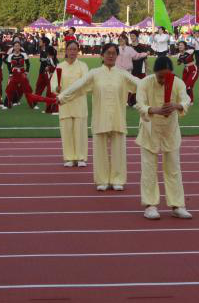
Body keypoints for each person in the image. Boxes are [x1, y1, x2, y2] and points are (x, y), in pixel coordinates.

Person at [58, 42, 139, 191]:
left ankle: (117, 179)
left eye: (113, 53)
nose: (110, 56)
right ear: (102, 55)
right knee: (100, 150)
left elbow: (141, 85)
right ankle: (102, 179)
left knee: (119, 151)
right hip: (100, 118)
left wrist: (157, 86)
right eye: (107, 53)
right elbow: (79, 86)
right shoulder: (94, 73)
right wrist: (62, 97)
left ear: (117, 56)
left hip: (118, 118)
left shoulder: (122, 74)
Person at [135, 55, 193, 220]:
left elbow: (186, 99)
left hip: (170, 130)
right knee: (149, 169)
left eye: (166, 76)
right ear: (155, 73)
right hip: (150, 129)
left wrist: (177, 105)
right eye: (160, 76)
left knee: (173, 168)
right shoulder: (145, 83)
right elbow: (139, 104)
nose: (162, 80)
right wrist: (154, 110)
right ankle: (150, 205)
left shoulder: (177, 82)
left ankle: (177, 205)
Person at [54, 38, 90, 166]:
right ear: (66, 51)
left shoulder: (83, 66)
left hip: (79, 102)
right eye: (70, 49)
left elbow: (84, 84)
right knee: (67, 131)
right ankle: (70, 158)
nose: (72, 52)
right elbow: (54, 84)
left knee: (80, 131)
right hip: (65, 104)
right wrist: (56, 88)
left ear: (78, 51)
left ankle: (80, 158)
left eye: (75, 49)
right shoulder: (60, 66)